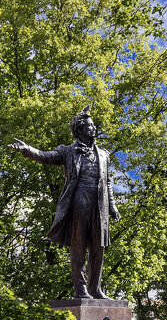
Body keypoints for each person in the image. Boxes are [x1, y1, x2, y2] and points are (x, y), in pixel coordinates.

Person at [9, 105, 121, 299]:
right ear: (80, 129)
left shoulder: (104, 154)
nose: (94, 128)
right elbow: (46, 156)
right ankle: (81, 290)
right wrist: (27, 149)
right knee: (78, 247)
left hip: (99, 203)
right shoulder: (68, 151)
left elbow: (107, 182)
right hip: (79, 200)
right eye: (90, 125)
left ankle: (95, 289)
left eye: (93, 125)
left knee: (98, 248)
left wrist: (112, 206)